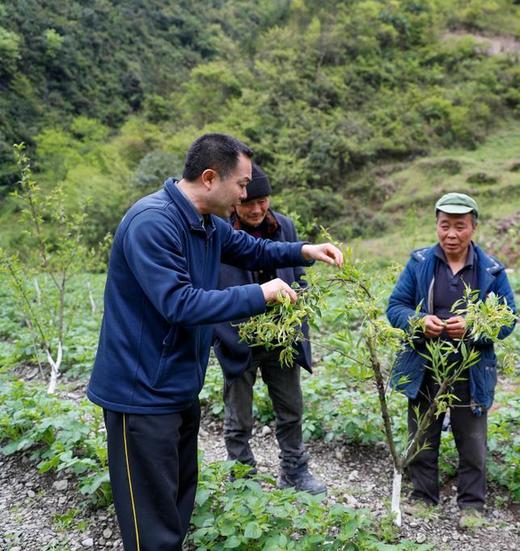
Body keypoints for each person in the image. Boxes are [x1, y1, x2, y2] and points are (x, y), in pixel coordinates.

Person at [87, 133, 343, 551]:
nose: (247, 194)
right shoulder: (153, 222)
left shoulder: (205, 223)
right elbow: (179, 303)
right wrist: (262, 293)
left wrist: (304, 250)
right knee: (149, 518)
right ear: (210, 178)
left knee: (177, 500)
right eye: (242, 185)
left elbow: (249, 249)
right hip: (141, 392)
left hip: (177, 385)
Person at [386, 192, 516, 526]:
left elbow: (507, 317)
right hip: (424, 366)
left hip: (468, 369)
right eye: (445, 226)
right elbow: (395, 306)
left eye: (460, 226)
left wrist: (474, 327)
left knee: (472, 442)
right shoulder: (419, 263)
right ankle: (423, 497)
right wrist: (418, 322)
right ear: (437, 226)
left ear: (473, 227)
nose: (451, 234)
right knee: (423, 436)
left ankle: (472, 506)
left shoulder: (490, 270)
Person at [213, 163, 325, 494]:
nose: (258, 208)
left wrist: (297, 313)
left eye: (264, 201)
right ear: (235, 199)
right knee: (239, 419)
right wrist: (221, 332)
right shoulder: (220, 231)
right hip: (239, 336)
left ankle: (294, 470)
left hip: (282, 337)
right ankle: (243, 477)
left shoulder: (284, 227)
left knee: (290, 409)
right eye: (250, 202)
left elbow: (298, 277)